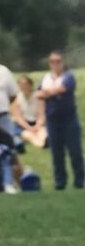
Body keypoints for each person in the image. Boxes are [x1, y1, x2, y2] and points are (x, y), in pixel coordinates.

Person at [35, 51, 84, 190]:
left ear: (63, 62)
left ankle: (79, 181)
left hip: (69, 119)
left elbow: (62, 89)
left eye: (58, 61)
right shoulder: (45, 78)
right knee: (57, 153)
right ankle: (60, 183)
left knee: (75, 152)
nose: (55, 64)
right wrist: (49, 92)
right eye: (53, 61)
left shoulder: (68, 76)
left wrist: (47, 93)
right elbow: (38, 94)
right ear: (49, 63)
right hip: (52, 120)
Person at [11, 76, 47, 149]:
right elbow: (19, 117)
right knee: (29, 135)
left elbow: (41, 114)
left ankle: (44, 141)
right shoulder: (16, 99)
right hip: (23, 125)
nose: (24, 87)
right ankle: (41, 144)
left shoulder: (38, 97)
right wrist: (29, 128)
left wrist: (37, 126)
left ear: (31, 85)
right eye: (22, 85)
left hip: (37, 122)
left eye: (26, 85)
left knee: (43, 133)